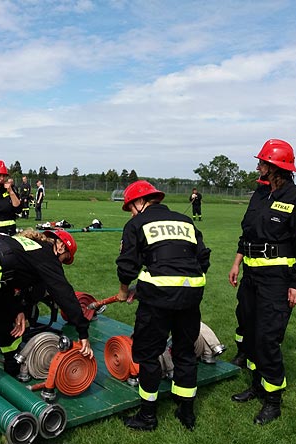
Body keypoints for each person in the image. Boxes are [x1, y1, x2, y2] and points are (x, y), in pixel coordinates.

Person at [0, 229, 93, 440]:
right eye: (63, 259)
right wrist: (82, 330)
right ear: (60, 245)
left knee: (1, 319)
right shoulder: (46, 254)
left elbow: (10, 281)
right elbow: (63, 291)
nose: (60, 264)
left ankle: (11, 364)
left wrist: (18, 310)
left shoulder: (29, 247)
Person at [228, 139, 296, 425]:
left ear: (275, 166)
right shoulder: (260, 193)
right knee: (251, 333)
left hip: (278, 281)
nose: (258, 166)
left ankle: (273, 400)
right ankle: (257, 386)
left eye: (262, 162)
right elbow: (248, 232)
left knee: (267, 338)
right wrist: (237, 261)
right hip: (251, 277)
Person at [115, 180, 210, 432]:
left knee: (147, 354)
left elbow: (127, 265)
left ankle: (147, 417)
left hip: (157, 298)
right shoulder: (185, 221)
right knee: (184, 351)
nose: (131, 212)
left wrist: (124, 291)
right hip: (191, 293)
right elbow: (202, 258)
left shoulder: (136, 223)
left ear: (139, 202)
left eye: (130, 207)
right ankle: (186, 412)